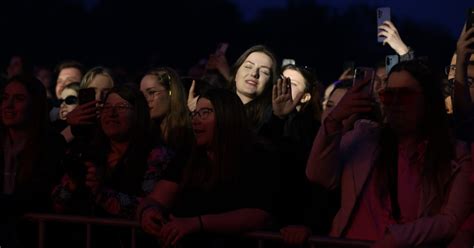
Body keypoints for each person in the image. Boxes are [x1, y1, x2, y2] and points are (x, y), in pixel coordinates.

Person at [306, 59, 473, 247]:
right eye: (388, 95)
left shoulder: (455, 155)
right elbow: (317, 174)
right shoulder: (364, 138)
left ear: (428, 101)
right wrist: (334, 119)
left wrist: (397, 238)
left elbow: (450, 220)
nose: (394, 103)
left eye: (405, 95)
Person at [138, 88, 280, 248]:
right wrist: (148, 211)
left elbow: (258, 214)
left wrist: (195, 224)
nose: (196, 120)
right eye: (195, 114)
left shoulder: (257, 156)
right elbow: (156, 198)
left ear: (227, 116)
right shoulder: (188, 155)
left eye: (205, 113)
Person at [0, 74, 65, 247]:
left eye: (19, 99)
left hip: (33, 238)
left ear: (35, 105)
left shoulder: (51, 143)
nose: (9, 105)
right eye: (5, 98)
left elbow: (36, 194)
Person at [139, 67, 193, 151]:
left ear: (171, 92)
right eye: (142, 95)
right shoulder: (145, 136)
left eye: (151, 92)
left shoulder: (191, 131)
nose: (145, 100)